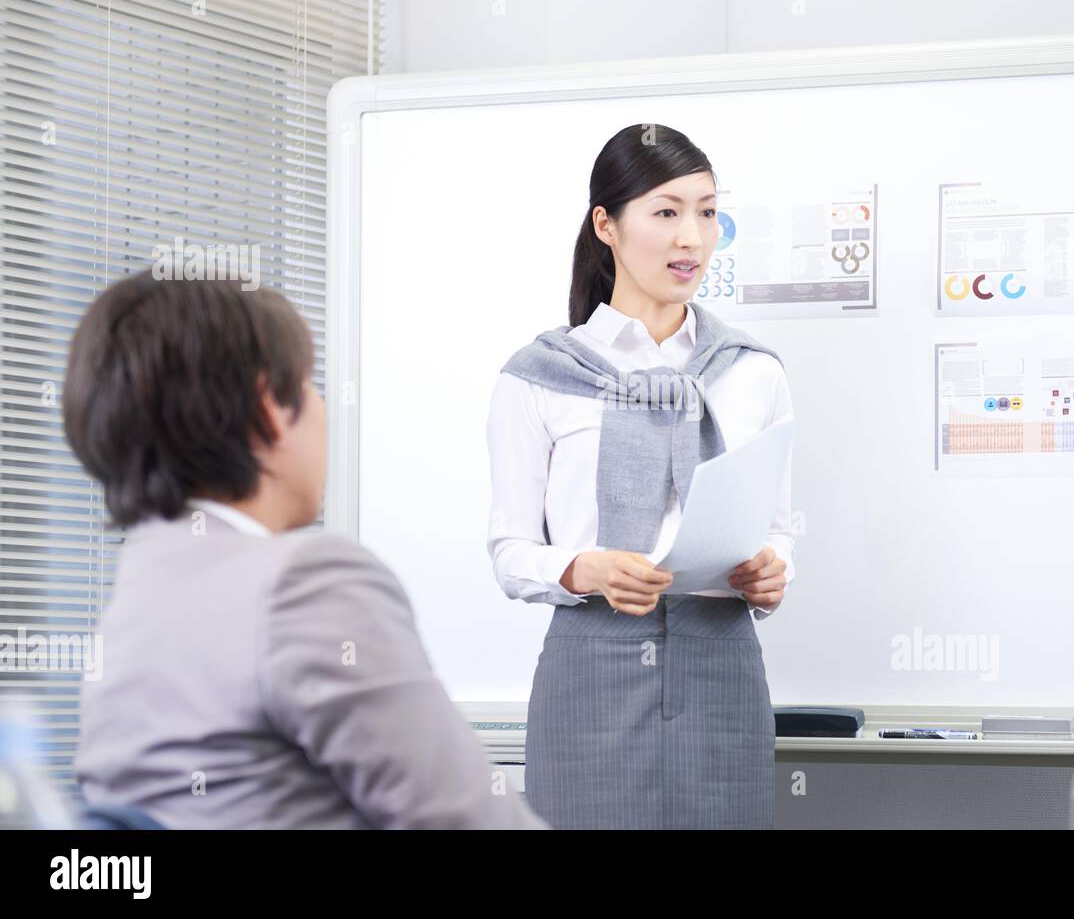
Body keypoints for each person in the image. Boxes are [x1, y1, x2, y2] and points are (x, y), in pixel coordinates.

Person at [64, 267, 545, 829]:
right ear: (270, 408)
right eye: (310, 383)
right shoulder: (305, 581)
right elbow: (470, 820)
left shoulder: (136, 595)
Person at [486, 123, 796, 828]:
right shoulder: (539, 377)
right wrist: (584, 569)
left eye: (708, 212)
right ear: (607, 224)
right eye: (666, 211)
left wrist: (774, 571)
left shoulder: (753, 372)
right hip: (590, 671)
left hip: (722, 670)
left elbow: (776, 528)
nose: (692, 236)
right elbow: (509, 550)